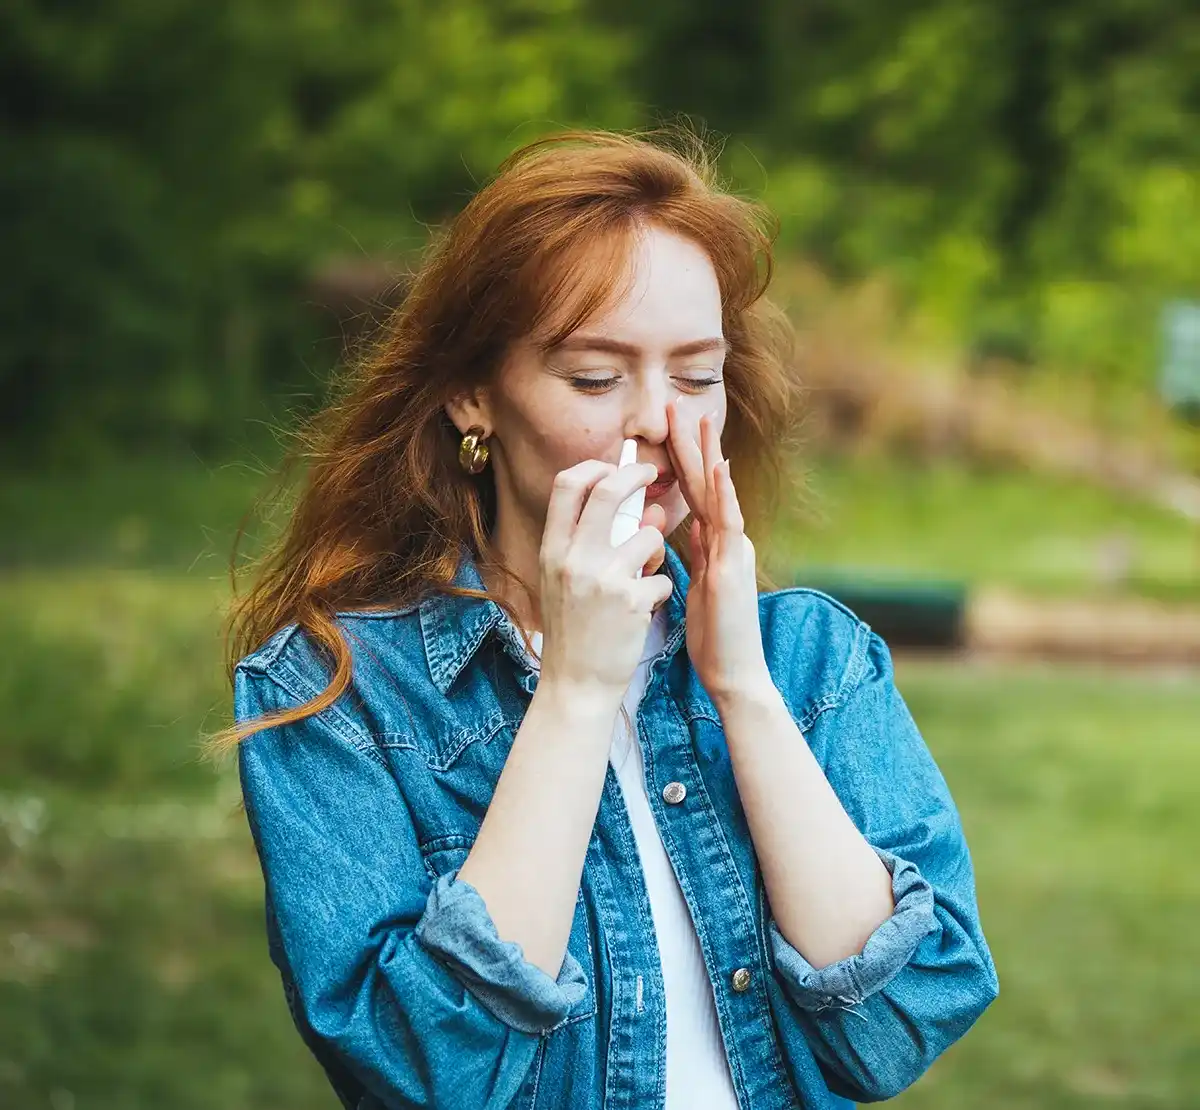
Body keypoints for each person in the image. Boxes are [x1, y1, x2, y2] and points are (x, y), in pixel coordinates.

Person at [216, 127, 998, 1110]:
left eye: (697, 375)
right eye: (595, 377)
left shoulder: (812, 659)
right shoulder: (335, 690)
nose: (657, 421)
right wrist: (577, 693)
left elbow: (899, 1027)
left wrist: (744, 692)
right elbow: (427, 1076)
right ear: (472, 395)